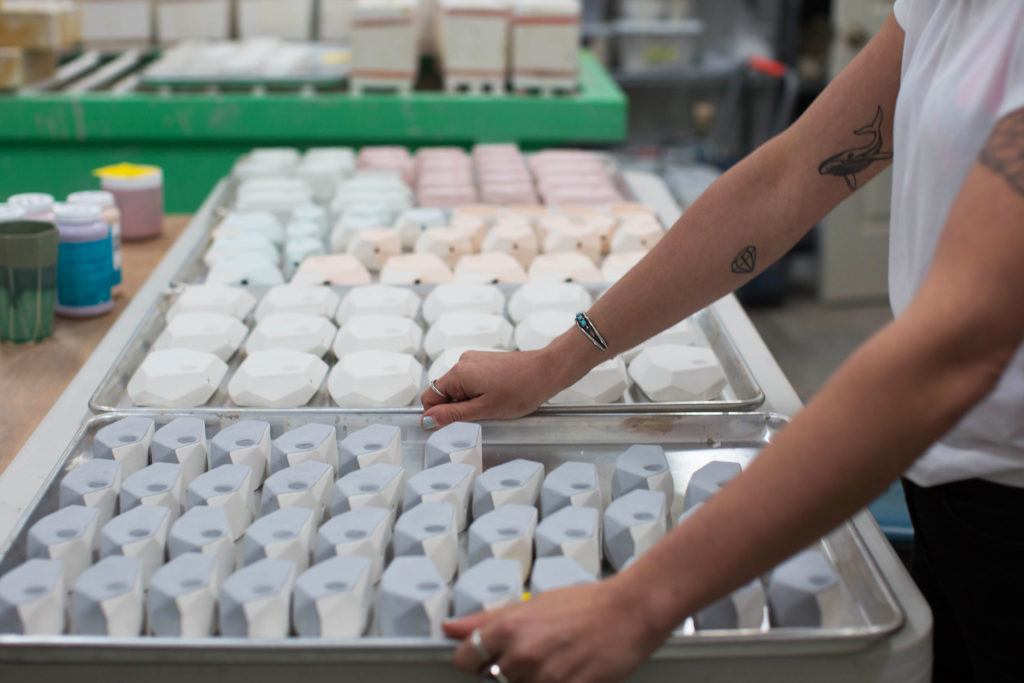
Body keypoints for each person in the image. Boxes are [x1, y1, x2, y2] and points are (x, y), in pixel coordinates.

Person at [421, 2, 1024, 682]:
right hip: (946, 477)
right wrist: (554, 363)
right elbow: (787, 177)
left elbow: (953, 353)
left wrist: (640, 601)